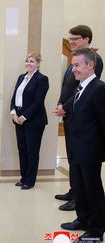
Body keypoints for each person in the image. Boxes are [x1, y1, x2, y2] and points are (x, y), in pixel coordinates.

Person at [53, 25, 103, 211]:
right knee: (74, 158)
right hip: (70, 114)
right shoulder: (74, 60)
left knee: (82, 162)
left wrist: (65, 107)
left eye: (75, 38)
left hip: (79, 116)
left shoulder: (93, 59)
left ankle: (78, 198)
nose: (71, 41)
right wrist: (62, 105)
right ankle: (74, 191)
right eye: (70, 38)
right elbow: (70, 88)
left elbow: (84, 90)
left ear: (87, 39)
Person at [58, 48, 105, 242]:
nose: (73, 69)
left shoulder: (99, 88)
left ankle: (96, 231)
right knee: (79, 187)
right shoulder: (81, 86)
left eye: (77, 65)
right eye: (72, 65)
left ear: (90, 65)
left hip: (90, 150)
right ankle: (83, 219)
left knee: (92, 190)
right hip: (76, 148)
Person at [10, 53, 49, 190]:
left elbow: (38, 102)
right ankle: (23, 178)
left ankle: (30, 180)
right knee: (22, 149)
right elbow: (14, 97)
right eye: (27, 61)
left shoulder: (42, 79)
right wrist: (14, 113)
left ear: (38, 63)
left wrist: (24, 116)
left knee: (32, 151)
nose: (28, 63)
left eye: (32, 61)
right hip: (18, 118)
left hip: (34, 121)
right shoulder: (21, 77)